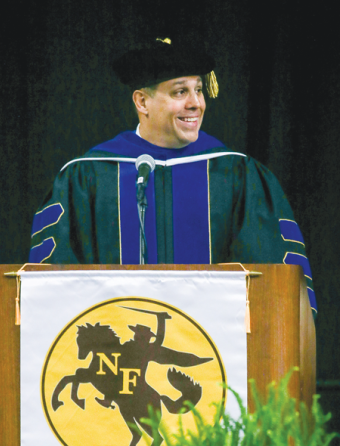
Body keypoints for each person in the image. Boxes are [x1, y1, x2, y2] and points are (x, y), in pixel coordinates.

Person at [29, 37, 316, 316]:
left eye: (199, 90)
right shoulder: (87, 176)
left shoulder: (236, 175)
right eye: (180, 92)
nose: (196, 103)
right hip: (116, 354)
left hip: (219, 352)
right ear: (142, 102)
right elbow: (54, 281)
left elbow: (273, 279)